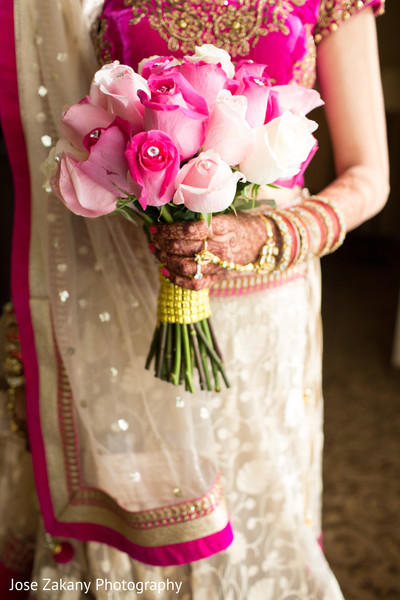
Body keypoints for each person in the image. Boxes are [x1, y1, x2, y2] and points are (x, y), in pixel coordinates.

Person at [0, 0, 389, 598]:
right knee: (141, 522)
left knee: (256, 514)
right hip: (124, 291)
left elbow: (370, 175)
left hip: (266, 308)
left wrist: (263, 234)